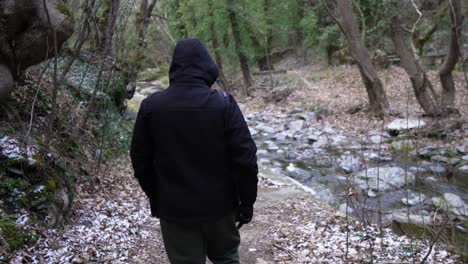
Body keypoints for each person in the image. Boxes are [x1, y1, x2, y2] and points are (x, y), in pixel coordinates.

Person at [130, 38, 258, 264]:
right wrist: (246, 202)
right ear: (207, 66)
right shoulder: (224, 104)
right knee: (226, 258)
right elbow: (245, 158)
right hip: (221, 207)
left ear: (174, 67)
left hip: (175, 210)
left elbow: (140, 160)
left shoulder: (151, 106)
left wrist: (158, 196)